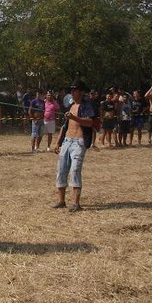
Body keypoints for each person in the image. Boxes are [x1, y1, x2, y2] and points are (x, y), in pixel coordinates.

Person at [52, 80, 96, 212]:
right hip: (67, 141)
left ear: (81, 91)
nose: (72, 92)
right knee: (61, 170)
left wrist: (75, 118)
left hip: (79, 141)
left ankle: (76, 203)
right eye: (71, 90)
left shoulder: (87, 105)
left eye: (75, 89)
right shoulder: (70, 106)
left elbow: (90, 122)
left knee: (75, 170)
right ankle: (61, 201)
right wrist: (58, 142)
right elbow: (65, 126)